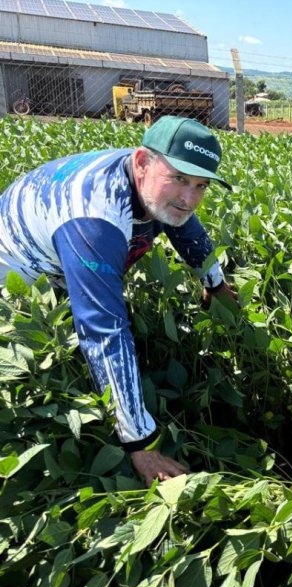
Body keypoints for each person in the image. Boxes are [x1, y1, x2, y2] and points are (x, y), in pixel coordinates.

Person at [0, 115, 238, 485]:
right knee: (44, 346)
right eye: (179, 178)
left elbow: (183, 221)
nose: (190, 197)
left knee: (166, 215)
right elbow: (103, 329)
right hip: (17, 262)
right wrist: (139, 442)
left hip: (60, 238)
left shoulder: (154, 187)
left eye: (200, 185)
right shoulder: (95, 216)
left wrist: (215, 281)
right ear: (142, 162)